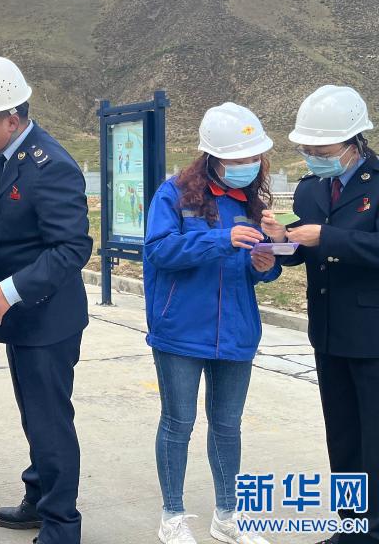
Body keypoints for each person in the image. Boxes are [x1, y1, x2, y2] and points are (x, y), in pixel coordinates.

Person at [0, 57, 92, 544]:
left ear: (11, 119)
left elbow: (72, 248)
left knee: (50, 421)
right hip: (22, 316)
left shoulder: (51, 166)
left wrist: (9, 290)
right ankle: (39, 497)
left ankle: (61, 525)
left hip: (48, 320)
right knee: (34, 415)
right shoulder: (7, 156)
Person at [145, 102, 279, 544]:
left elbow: (255, 269)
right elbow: (159, 250)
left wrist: (265, 265)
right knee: (178, 423)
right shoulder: (174, 195)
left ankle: (227, 516)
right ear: (213, 157)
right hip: (181, 331)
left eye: (254, 157)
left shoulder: (251, 202)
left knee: (227, 425)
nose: (249, 165)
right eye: (240, 158)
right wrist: (222, 239)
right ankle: (172, 515)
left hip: (236, 332)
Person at [261, 85, 379, 544]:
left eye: (322, 151)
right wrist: (280, 239)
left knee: (374, 439)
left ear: (353, 143)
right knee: (343, 436)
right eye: (307, 150)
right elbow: (303, 248)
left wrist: (325, 238)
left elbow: (337, 241)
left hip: (371, 333)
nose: (313, 158)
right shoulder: (311, 189)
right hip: (328, 331)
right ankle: (351, 528)